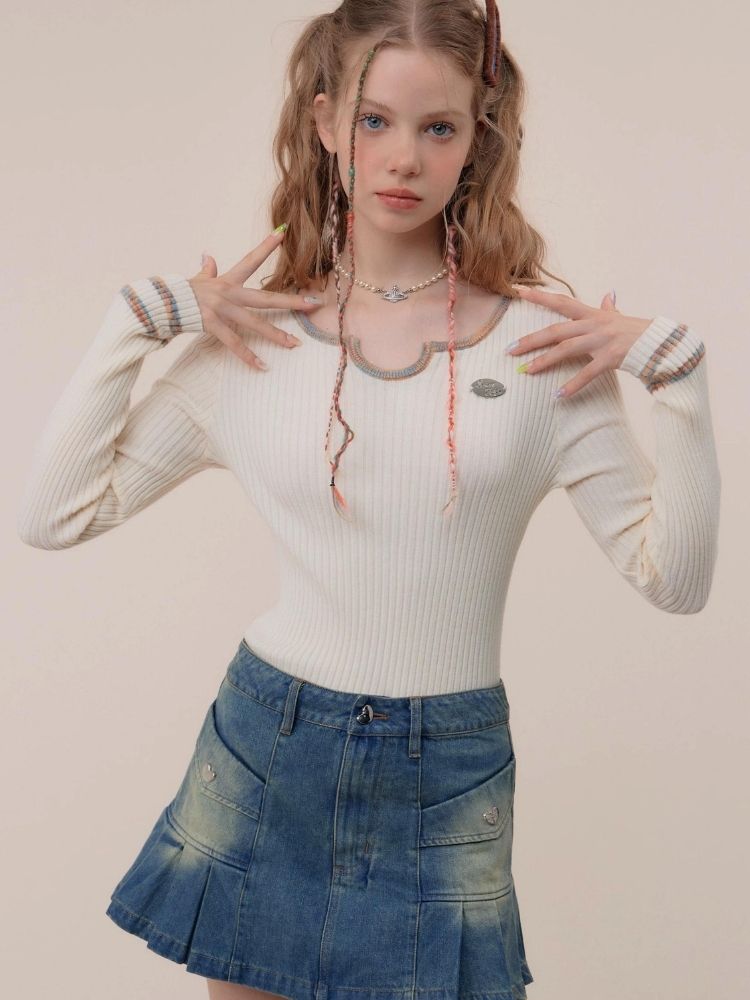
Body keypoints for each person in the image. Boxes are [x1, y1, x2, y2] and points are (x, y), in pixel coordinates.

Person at [16, 2, 721, 999]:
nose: (403, 158)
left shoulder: (541, 351)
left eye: (439, 127)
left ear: (478, 139)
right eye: (374, 120)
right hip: (270, 742)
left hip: (450, 766)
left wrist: (679, 376)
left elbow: (675, 581)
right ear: (324, 121)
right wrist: (140, 319)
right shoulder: (252, 345)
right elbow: (55, 514)